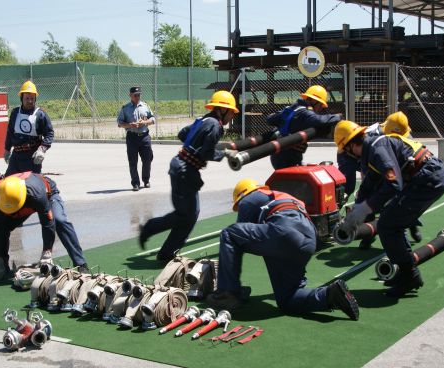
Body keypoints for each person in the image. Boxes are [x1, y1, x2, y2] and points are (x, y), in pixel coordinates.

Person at [205, 178, 359, 320]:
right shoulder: (278, 196)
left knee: (229, 234)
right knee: (288, 300)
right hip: (308, 240)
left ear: (242, 195)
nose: (240, 208)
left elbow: (238, 237)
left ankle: (227, 294)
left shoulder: (250, 198)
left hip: (283, 231)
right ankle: (330, 295)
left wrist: (232, 285)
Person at [334, 120, 444, 297]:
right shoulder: (373, 147)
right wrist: (355, 213)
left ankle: (410, 275)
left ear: (350, 146)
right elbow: (369, 184)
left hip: (427, 179)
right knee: (391, 222)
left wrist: (364, 209)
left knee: (388, 225)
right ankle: (405, 272)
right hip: (426, 177)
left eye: (346, 152)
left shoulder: (377, 149)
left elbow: (393, 184)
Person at [139, 90, 237, 261]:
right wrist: (225, 154)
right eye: (231, 112)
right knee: (187, 215)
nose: (232, 117)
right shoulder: (215, 126)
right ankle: (151, 230)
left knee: (187, 214)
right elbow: (206, 153)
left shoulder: (204, 119)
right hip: (186, 170)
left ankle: (166, 252)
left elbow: (183, 134)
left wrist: (192, 147)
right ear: (223, 110)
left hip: (181, 166)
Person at [336, 111, 422, 249]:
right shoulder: (372, 143)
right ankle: (368, 234)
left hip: (388, 165)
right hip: (369, 161)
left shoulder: (402, 134)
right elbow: (369, 175)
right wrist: (361, 204)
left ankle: (410, 225)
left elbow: (396, 179)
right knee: (366, 196)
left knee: (397, 200)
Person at [0, 172, 89, 279]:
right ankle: (2, 265)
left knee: (59, 220)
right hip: (21, 203)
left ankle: (80, 263)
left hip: (48, 194)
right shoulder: (0, 201)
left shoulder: (37, 194)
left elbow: (47, 224)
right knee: (2, 227)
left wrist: (47, 252)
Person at [266, 85, 342, 170]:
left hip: (278, 155)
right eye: (320, 105)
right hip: (288, 156)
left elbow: (270, 119)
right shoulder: (305, 112)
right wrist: (337, 117)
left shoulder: (293, 108)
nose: (320, 109)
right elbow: (320, 120)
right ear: (314, 101)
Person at [4, 81, 54, 176]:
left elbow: (49, 133)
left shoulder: (40, 115)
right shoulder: (15, 113)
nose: (30, 101)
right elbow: (10, 132)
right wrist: (7, 150)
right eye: (27, 98)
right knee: (8, 184)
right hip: (16, 157)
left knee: (32, 186)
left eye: (32, 98)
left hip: (32, 158)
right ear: (21, 98)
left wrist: (42, 149)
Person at [117, 86, 156, 191]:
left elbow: (153, 119)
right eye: (135, 95)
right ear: (130, 95)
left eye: (139, 95)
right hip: (132, 138)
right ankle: (135, 183)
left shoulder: (145, 106)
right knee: (133, 162)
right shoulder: (125, 108)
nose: (137, 97)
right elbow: (120, 123)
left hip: (144, 136)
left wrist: (145, 122)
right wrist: (130, 125)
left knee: (147, 159)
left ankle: (146, 180)